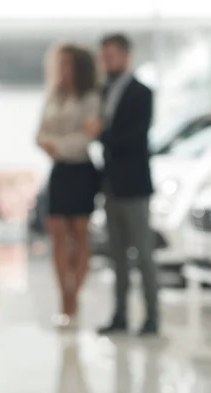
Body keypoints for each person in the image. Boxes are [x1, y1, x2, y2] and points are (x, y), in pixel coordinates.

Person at [94, 33, 158, 336]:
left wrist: (100, 133)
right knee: (117, 255)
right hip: (111, 184)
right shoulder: (103, 91)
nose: (107, 61)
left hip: (135, 186)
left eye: (112, 56)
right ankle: (120, 316)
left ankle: (152, 319)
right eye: (104, 56)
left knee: (143, 255)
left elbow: (134, 138)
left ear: (125, 55)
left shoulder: (142, 92)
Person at [36, 43, 101, 327]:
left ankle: (75, 295)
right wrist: (62, 141)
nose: (61, 70)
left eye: (66, 65)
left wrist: (56, 143)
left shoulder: (91, 97)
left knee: (80, 233)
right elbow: (40, 134)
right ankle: (65, 299)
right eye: (59, 64)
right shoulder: (55, 96)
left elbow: (85, 140)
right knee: (58, 234)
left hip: (82, 170)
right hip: (60, 172)